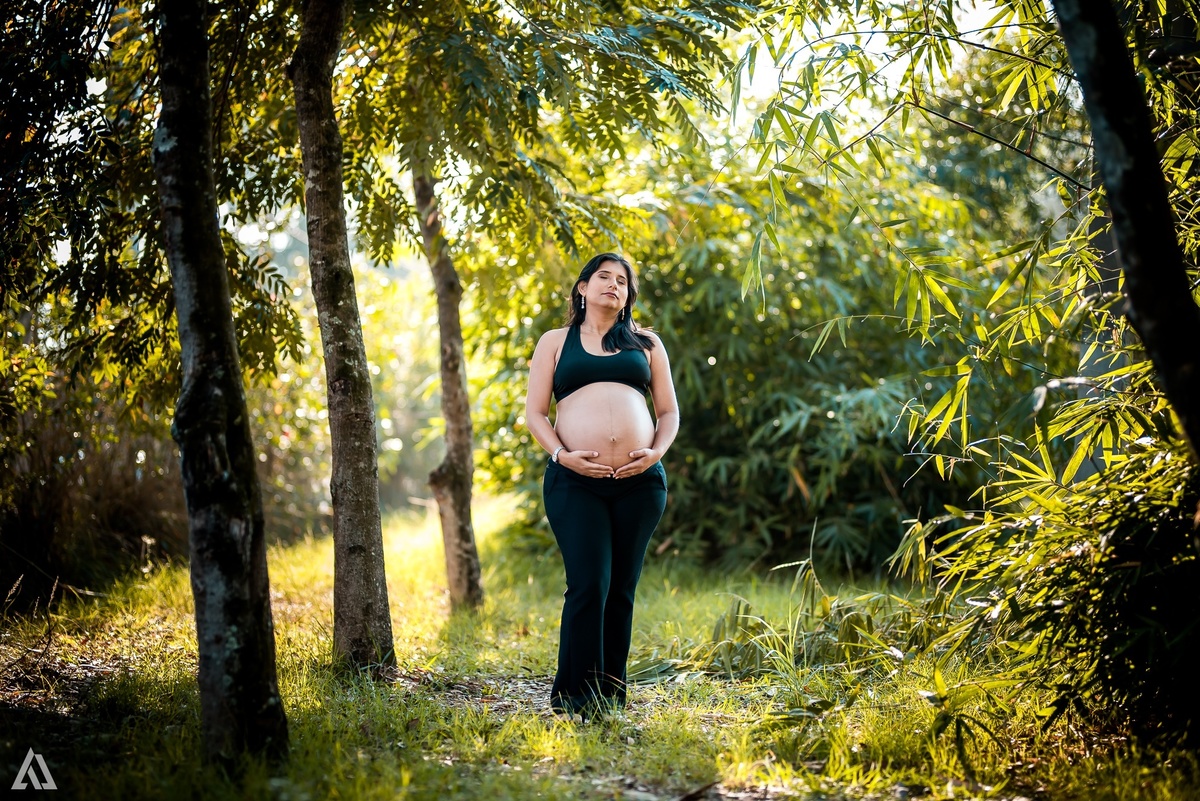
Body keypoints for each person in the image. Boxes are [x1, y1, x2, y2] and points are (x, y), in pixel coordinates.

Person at [524, 252, 680, 719]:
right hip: (575, 481)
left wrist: (655, 452)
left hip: (640, 483)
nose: (614, 285)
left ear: (629, 295)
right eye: (604, 277)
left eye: (623, 281)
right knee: (589, 583)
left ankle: (611, 693)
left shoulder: (647, 343)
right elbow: (536, 412)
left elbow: (668, 412)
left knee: (621, 589)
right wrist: (560, 454)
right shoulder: (556, 341)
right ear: (582, 288)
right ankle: (574, 695)